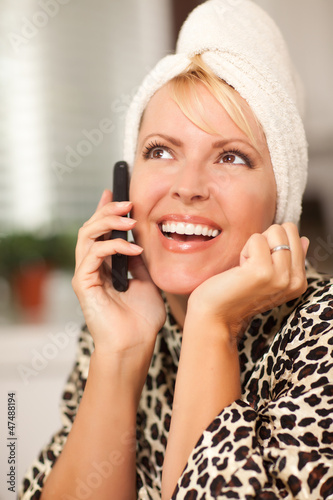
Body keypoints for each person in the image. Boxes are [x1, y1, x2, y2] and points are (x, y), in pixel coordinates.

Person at [20, 0, 333, 499]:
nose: (188, 187)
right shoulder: (122, 321)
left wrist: (212, 327)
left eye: (231, 156)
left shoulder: (324, 331)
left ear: (281, 199)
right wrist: (121, 354)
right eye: (161, 151)